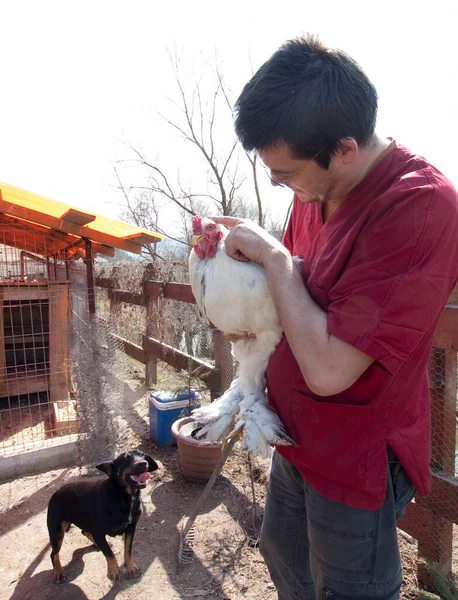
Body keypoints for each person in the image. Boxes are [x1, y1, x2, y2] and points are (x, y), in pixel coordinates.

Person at [210, 35, 458, 600]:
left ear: (345, 148)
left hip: (357, 454)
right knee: (284, 558)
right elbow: (300, 289)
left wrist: (271, 257)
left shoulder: (418, 206)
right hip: (297, 433)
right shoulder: (315, 186)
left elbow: (327, 370)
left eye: (285, 174)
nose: (282, 186)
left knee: (349, 588)